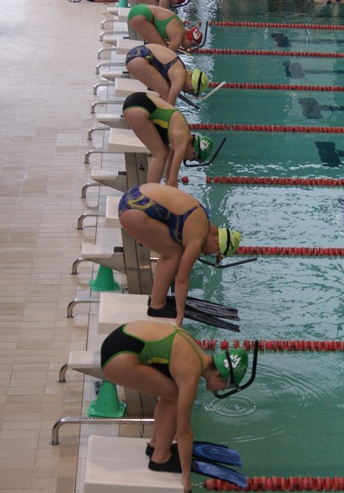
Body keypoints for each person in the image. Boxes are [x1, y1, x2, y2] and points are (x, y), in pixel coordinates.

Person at [100, 320, 250, 491]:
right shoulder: (190, 375)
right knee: (176, 396)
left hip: (117, 343)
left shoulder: (196, 352)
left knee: (170, 392)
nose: (221, 390)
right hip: (117, 359)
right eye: (226, 386)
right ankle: (160, 457)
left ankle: (156, 446)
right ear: (219, 375)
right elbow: (184, 431)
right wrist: (186, 476)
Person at [118, 184, 242, 326]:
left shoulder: (201, 219)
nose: (206, 253)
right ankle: (157, 306)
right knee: (175, 253)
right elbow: (181, 279)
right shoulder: (198, 235)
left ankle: (156, 299)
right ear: (217, 241)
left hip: (132, 197)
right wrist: (180, 315)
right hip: (135, 211)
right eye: (214, 254)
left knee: (170, 251)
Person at [122, 93, 212, 186]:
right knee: (160, 154)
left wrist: (167, 189)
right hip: (137, 109)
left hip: (137, 102)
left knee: (164, 151)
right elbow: (173, 179)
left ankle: (151, 192)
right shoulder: (182, 139)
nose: (188, 160)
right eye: (192, 159)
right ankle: (150, 196)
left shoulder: (182, 135)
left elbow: (168, 173)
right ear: (193, 151)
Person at [126, 44, 209, 105]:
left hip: (136, 54)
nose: (187, 91)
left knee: (163, 93)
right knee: (166, 95)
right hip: (139, 60)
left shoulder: (180, 69)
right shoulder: (180, 78)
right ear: (192, 82)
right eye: (191, 91)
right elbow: (169, 106)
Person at [128, 4, 203, 51]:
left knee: (159, 47)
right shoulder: (178, 36)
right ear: (189, 39)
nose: (188, 48)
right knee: (162, 49)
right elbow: (168, 56)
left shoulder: (180, 26)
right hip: (140, 16)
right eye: (191, 45)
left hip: (137, 10)